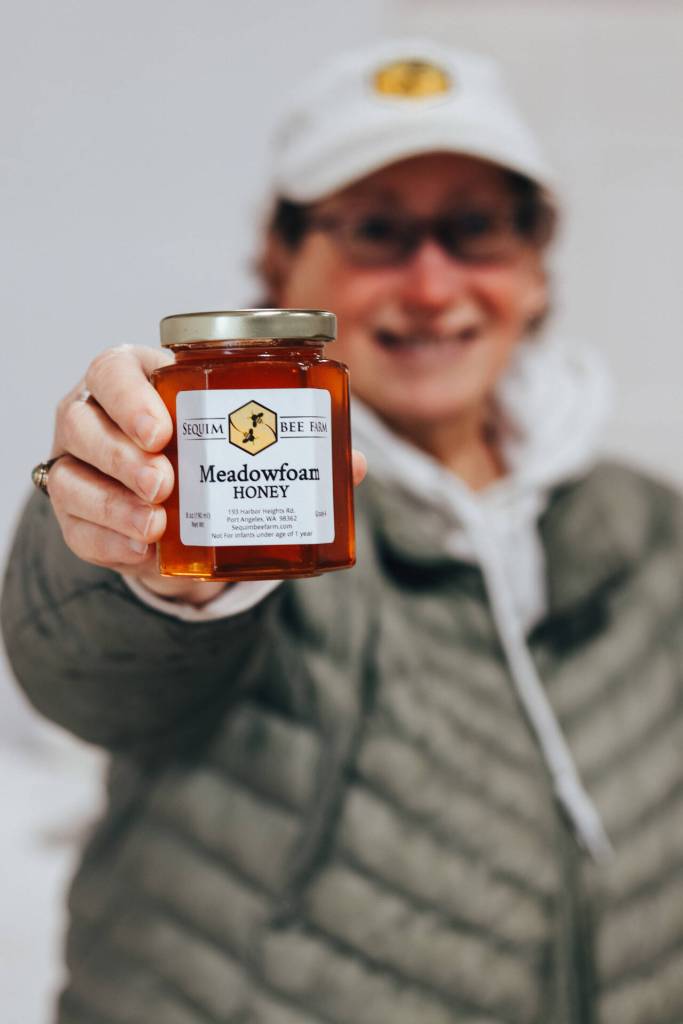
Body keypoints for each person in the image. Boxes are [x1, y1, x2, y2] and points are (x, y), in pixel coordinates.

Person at [2, 38, 683, 1024]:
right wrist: (145, 564)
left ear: (534, 267)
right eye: (374, 230)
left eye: (474, 227)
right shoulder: (212, 483)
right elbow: (96, 673)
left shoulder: (651, 527)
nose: (431, 284)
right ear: (282, 262)